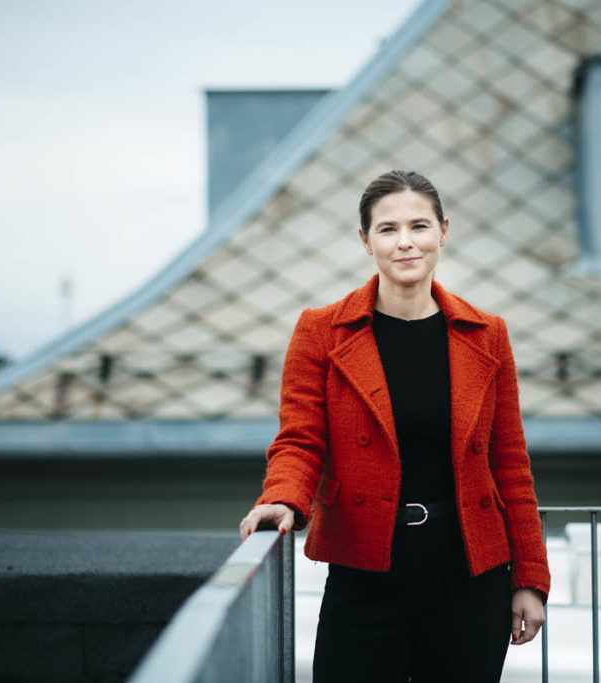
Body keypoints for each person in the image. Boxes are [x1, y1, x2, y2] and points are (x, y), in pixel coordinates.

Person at [239, 170, 549, 682]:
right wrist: (283, 499)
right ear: (366, 241)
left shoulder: (486, 334)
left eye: (419, 225)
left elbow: (510, 464)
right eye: (388, 229)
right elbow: (300, 439)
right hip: (365, 571)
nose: (405, 242)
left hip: (471, 578)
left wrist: (530, 578)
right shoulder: (321, 331)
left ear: (443, 231)